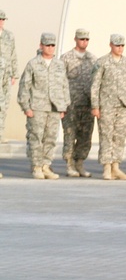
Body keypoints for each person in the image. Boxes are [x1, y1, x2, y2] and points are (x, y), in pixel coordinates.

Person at [17, 32, 69, 179]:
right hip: (37, 107)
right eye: (48, 45)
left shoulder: (59, 64)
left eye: (53, 45)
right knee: (36, 137)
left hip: (54, 107)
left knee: (50, 138)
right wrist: (26, 107)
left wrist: (63, 106)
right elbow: (24, 86)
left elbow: (64, 86)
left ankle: (46, 165)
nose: (51, 48)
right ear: (41, 45)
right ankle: (36, 166)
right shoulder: (33, 64)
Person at [91, 34, 126, 181]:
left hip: (123, 105)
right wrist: (95, 106)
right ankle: (107, 168)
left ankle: (116, 167)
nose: (120, 48)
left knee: (120, 136)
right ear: (111, 45)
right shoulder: (102, 62)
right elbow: (95, 85)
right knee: (106, 136)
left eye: (122, 46)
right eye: (117, 45)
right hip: (107, 105)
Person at [60, 29, 96, 178]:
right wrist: (62, 105)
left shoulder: (92, 59)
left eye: (86, 39)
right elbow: (60, 82)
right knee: (70, 134)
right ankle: (69, 164)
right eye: (81, 39)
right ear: (75, 39)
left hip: (87, 104)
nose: (84, 42)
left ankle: (79, 163)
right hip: (71, 104)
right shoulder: (66, 58)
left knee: (85, 136)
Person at [0, 10, 17, 166]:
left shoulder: (8, 36)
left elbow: (13, 54)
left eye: (2, 20)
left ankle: (1, 132)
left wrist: (14, 73)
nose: (1, 22)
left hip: (5, 73)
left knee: (4, 104)